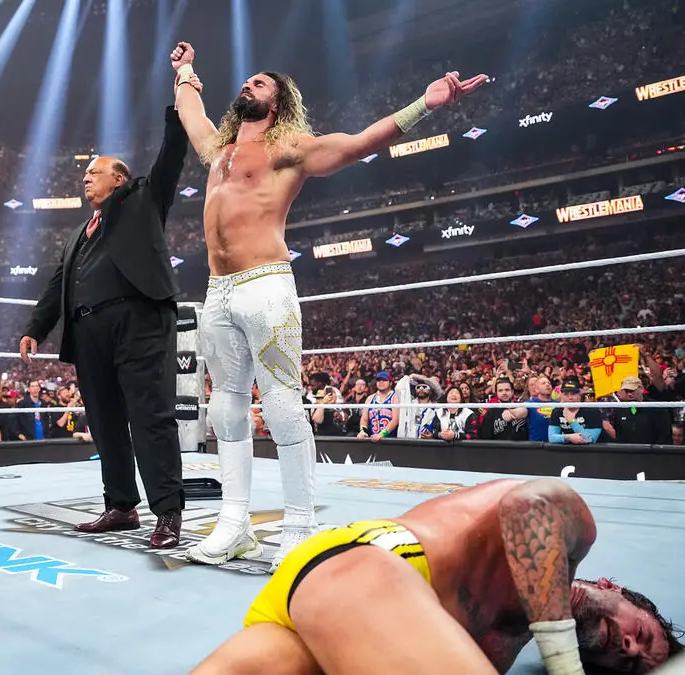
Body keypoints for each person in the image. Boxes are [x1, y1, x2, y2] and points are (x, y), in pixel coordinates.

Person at [170, 41, 487, 569]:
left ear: (277, 101)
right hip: (218, 290)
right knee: (225, 406)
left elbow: (359, 144)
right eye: (247, 80)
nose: (248, 84)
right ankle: (234, 523)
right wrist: (185, 72)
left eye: (260, 83)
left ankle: (300, 525)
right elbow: (191, 114)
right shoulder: (218, 150)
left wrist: (425, 104)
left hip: (266, 285)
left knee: (281, 404)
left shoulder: (289, 147)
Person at [194, 477, 685, 674]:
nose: (628, 646)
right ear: (616, 590)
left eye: (629, 664)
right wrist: (564, 663)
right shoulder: (576, 538)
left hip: (324, 609)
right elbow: (527, 504)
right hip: (372, 566)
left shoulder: (504, 647)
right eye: (642, 635)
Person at [19, 97, 191, 549]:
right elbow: (57, 284)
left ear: (119, 178)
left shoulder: (144, 200)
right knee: (104, 420)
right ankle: (120, 505)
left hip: (139, 321)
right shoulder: (78, 233)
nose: (85, 178)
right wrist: (35, 328)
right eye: (84, 174)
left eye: (94, 172)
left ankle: (168, 512)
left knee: (150, 415)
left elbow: (173, 153)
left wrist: (178, 104)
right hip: (89, 332)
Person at [549, 378, 603, 445]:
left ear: (580, 395)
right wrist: (568, 437)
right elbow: (551, 438)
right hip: (564, 450)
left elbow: (589, 439)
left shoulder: (592, 411)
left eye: (573, 394)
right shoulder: (557, 411)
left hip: (589, 450)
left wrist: (572, 421)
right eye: (566, 394)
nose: (570, 397)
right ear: (561, 395)